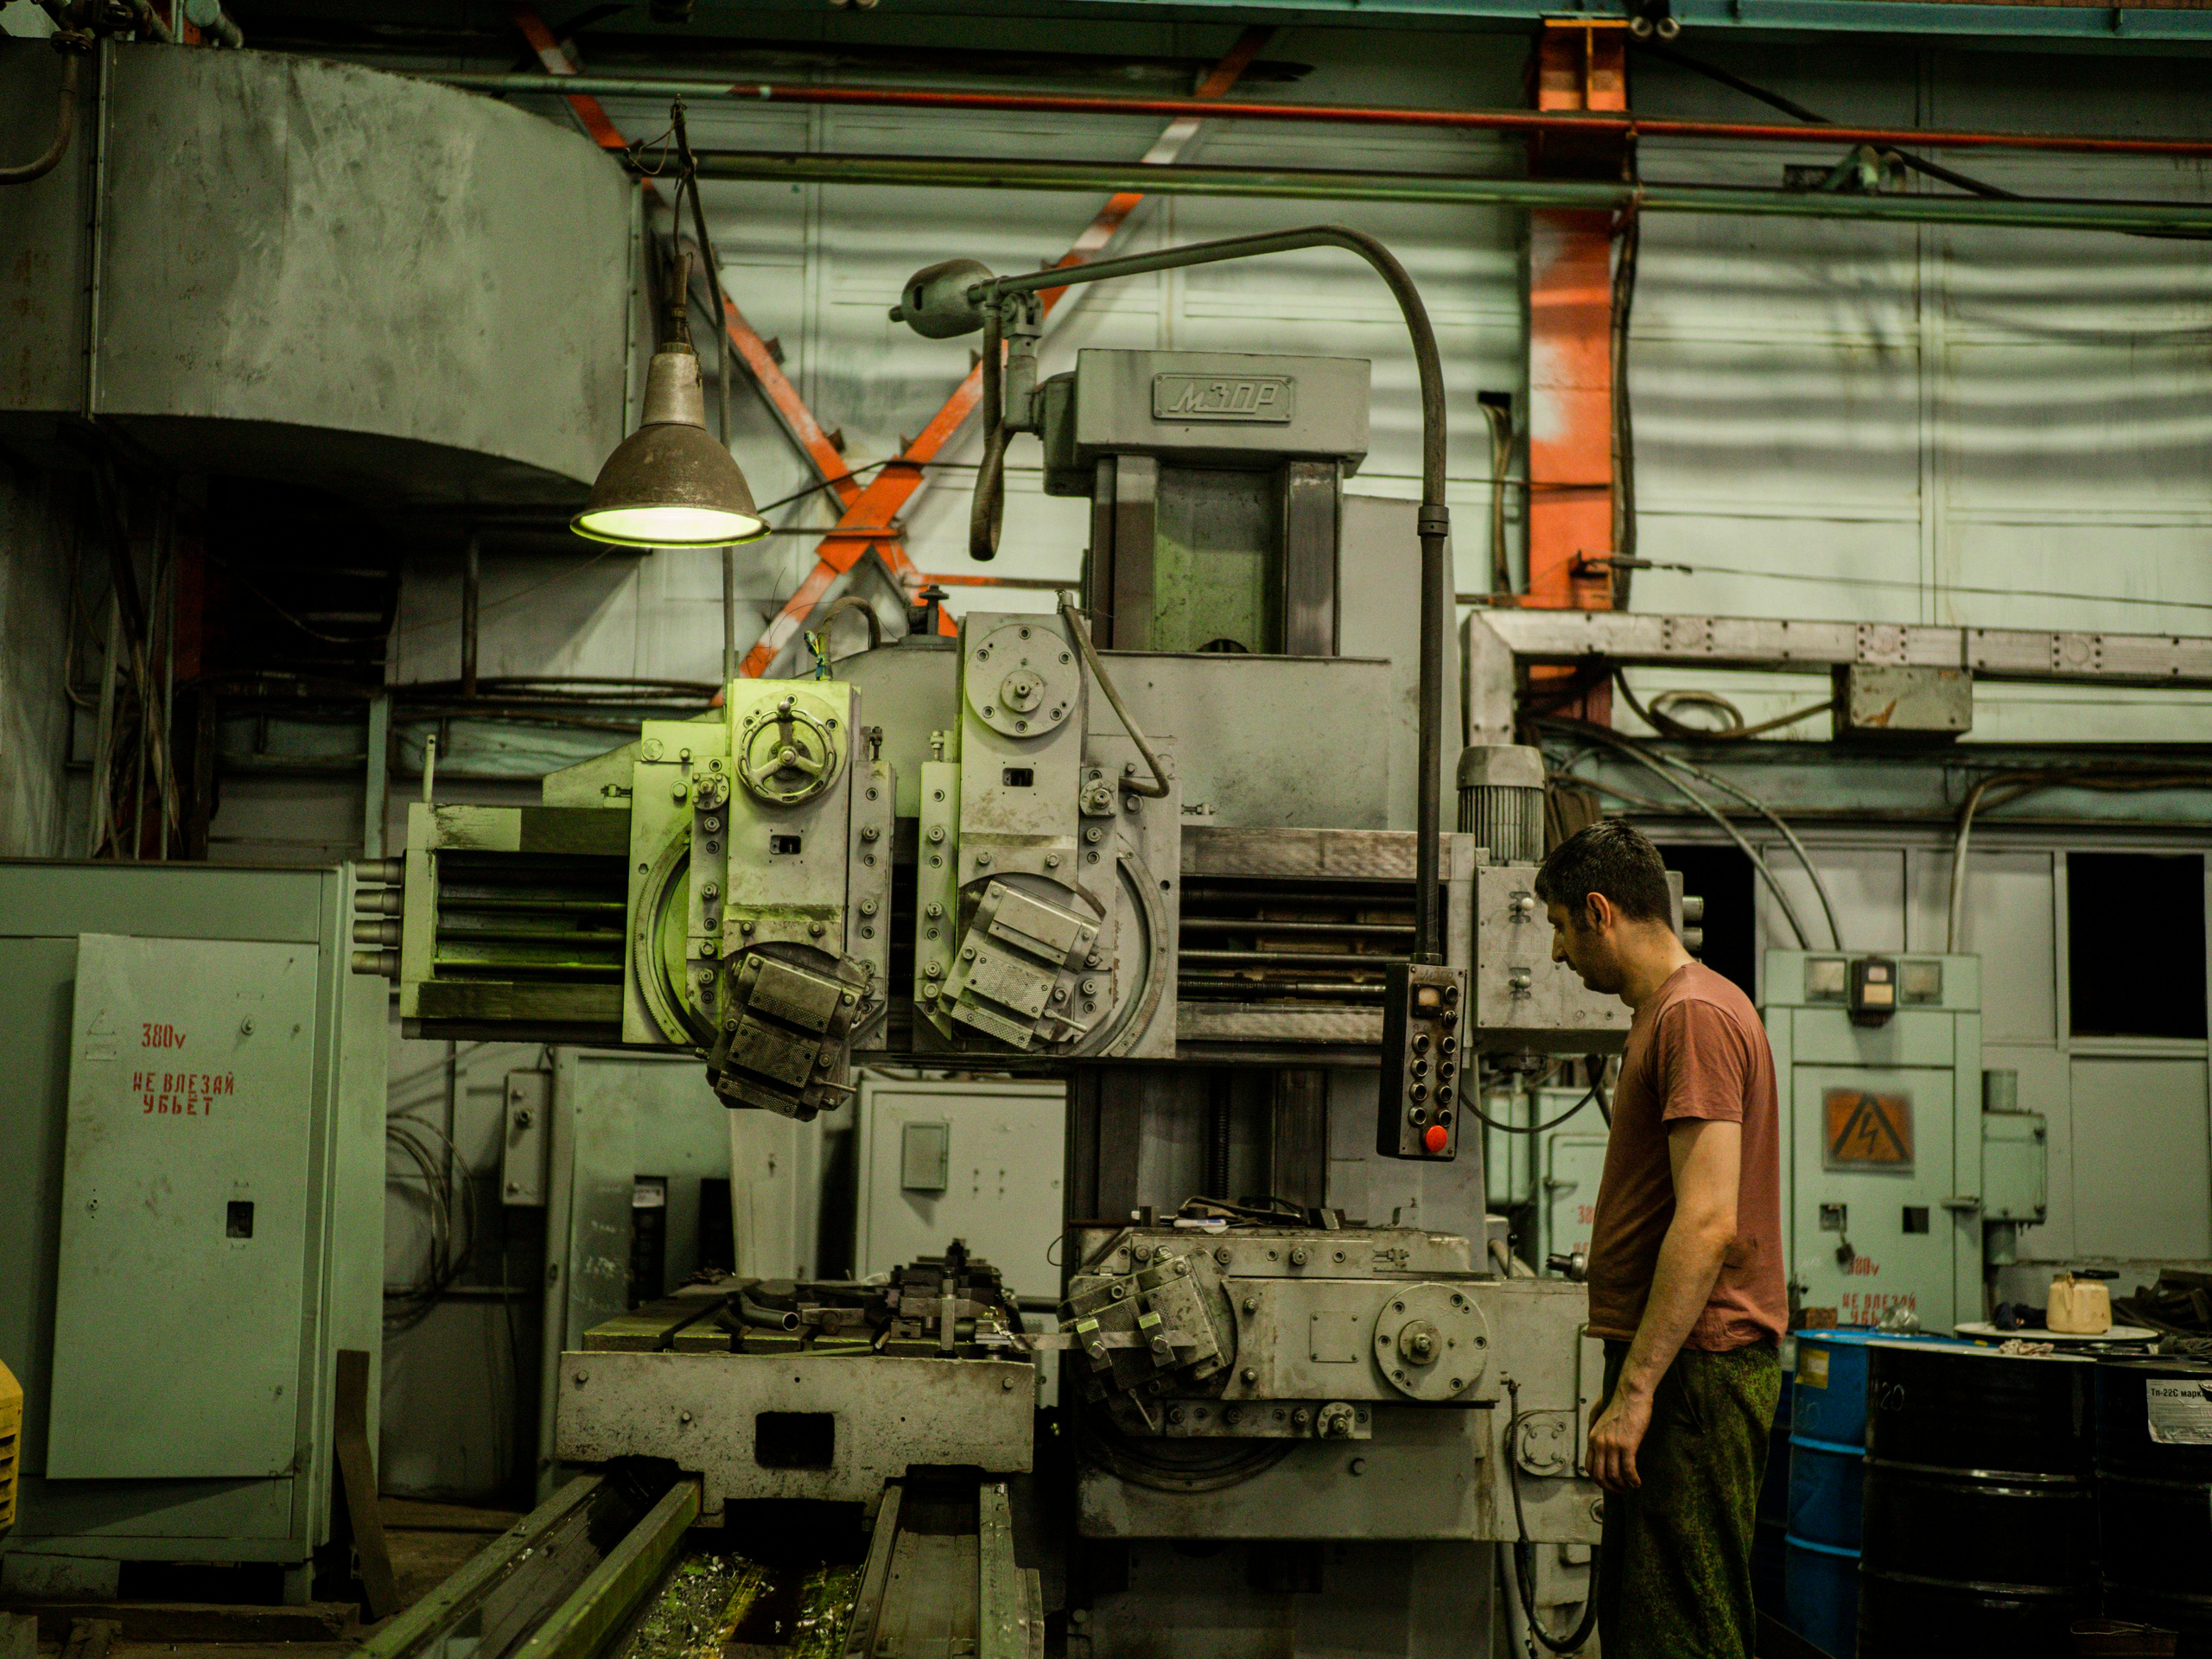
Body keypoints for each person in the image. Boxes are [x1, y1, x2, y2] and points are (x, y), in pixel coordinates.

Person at [1535, 819, 1787, 1659]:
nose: (1560, 954)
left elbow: (1709, 1220)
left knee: (1682, 1625)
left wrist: (1637, 1391)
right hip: (1681, 1367)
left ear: (1599, 911)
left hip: (1695, 1372)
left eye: (1561, 929)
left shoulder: (1694, 1017)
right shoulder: (1668, 1014)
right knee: (1648, 1619)